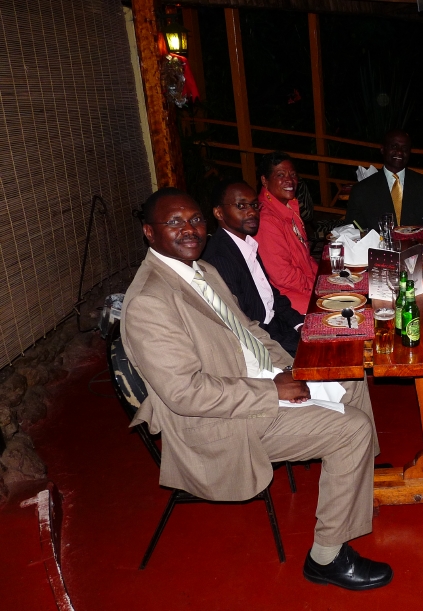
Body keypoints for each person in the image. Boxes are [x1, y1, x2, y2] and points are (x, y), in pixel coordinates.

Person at [122, 188, 392, 590]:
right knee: (351, 429)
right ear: (149, 232)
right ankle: (326, 557)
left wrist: (291, 368)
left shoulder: (200, 270)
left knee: (349, 375)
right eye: (174, 223)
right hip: (219, 422)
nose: (189, 230)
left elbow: (248, 330)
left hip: (256, 380)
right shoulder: (150, 301)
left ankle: (356, 483)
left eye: (194, 220)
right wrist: (273, 391)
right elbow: (186, 394)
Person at [202, 179, 304, 357]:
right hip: (262, 340)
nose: (252, 212)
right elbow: (242, 324)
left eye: (255, 205)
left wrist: (300, 324)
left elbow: (270, 295)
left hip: (277, 325)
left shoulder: (246, 243)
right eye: (241, 206)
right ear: (219, 212)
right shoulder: (219, 259)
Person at [255, 152, 317, 315]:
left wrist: (324, 278)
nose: (290, 180)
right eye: (280, 175)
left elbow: (305, 258)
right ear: (264, 181)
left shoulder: (288, 207)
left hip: (302, 287)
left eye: (293, 175)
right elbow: (283, 275)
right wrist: (317, 289)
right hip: (286, 299)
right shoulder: (266, 219)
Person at [345, 129, 423, 229]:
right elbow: (351, 230)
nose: (399, 152)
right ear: (383, 149)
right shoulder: (361, 190)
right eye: (394, 146)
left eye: (404, 148)